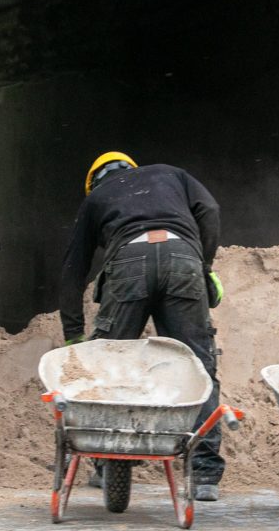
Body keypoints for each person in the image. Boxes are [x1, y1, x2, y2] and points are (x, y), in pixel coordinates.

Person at [59, 151, 226, 501]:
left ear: (93, 182)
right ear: (131, 168)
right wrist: (204, 264)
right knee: (198, 365)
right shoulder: (170, 172)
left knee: (110, 364)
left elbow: (73, 269)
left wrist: (74, 335)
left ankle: (110, 464)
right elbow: (209, 210)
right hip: (183, 259)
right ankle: (205, 474)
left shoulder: (96, 199)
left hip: (129, 263)